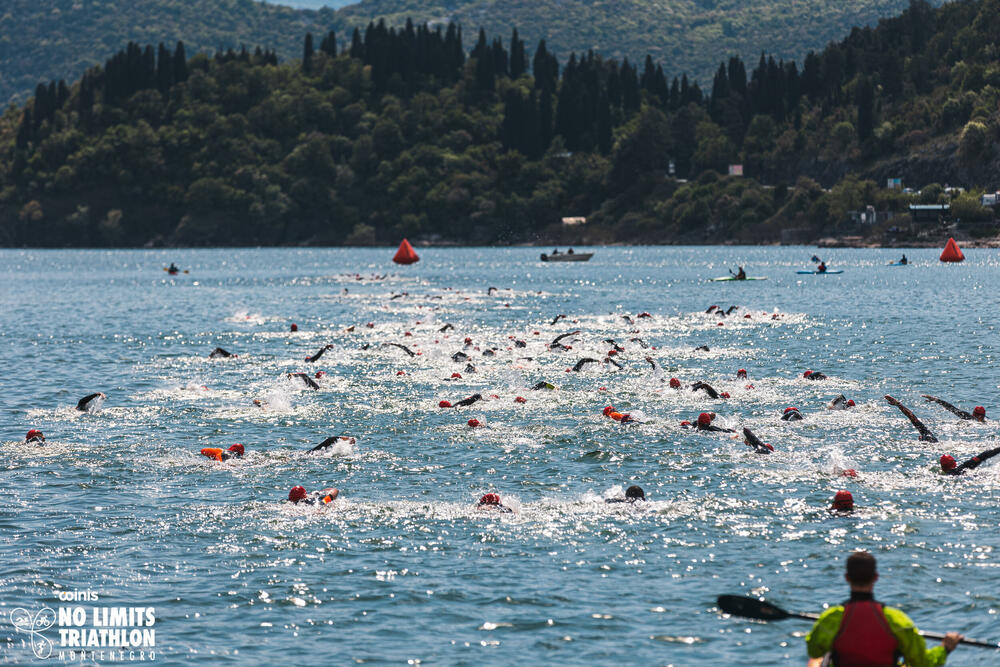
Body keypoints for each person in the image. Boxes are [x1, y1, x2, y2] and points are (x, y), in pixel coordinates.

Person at [805, 551, 961, 667]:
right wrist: (945, 649)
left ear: (847, 577)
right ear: (875, 577)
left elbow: (814, 651)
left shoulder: (831, 618)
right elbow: (922, 663)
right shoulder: (897, 620)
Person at [922, 395, 986, 422]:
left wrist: (936, 400)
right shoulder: (986, 421)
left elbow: (952, 408)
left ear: (974, 413)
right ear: (983, 415)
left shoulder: (968, 417)